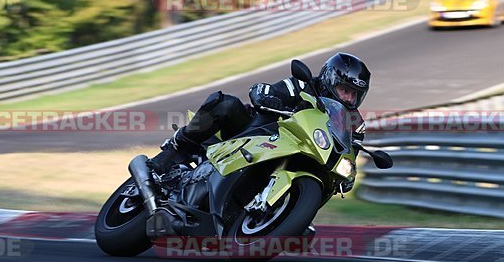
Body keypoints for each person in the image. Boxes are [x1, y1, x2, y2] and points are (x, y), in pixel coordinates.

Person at [148, 52, 371, 174]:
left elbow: (349, 156)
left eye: (355, 94)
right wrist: (268, 98)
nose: (350, 98)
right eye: (345, 90)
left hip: (301, 157)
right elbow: (262, 90)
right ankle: (173, 149)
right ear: (331, 79)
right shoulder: (304, 86)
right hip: (254, 134)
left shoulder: (354, 122)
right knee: (225, 104)